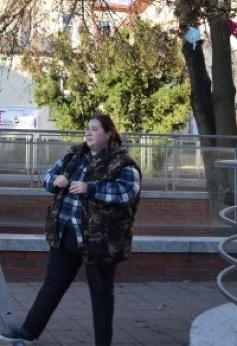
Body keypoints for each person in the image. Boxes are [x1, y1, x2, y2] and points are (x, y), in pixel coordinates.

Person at [10, 114, 141, 346]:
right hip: (65, 233)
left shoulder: (122, 163)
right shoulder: (74, 156)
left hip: (100, 241)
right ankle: (28, 333)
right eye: (87, 129)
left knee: (101, 293)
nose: (88, 133)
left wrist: (90, 187)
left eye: (94, 129)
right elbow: (46, 177)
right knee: (52, 285)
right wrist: (55, 180)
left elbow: (126, 192)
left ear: (109, 133)